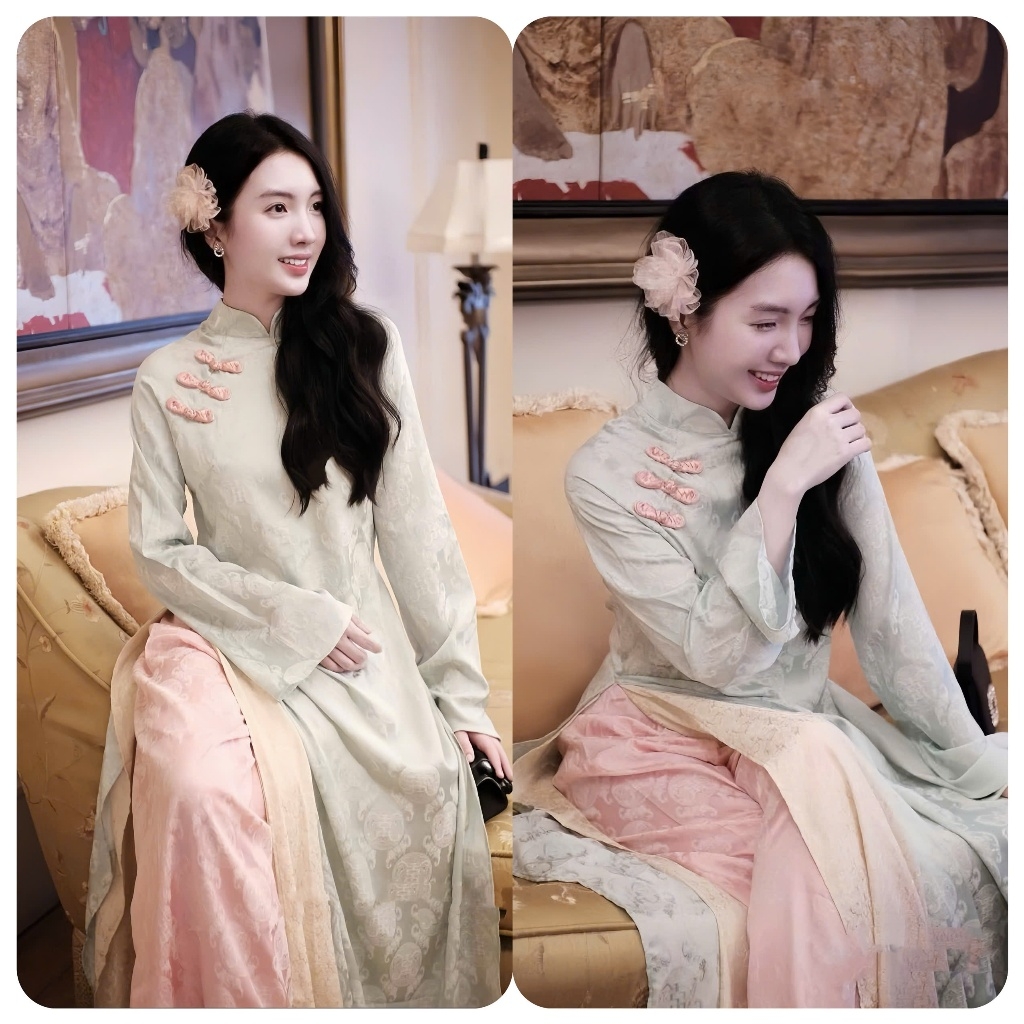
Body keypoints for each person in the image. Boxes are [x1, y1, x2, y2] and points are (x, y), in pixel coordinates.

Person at [513, 171, 1006, 1008]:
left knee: (923, 844)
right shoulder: (605, 471)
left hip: (798, 740)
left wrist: (971, 763)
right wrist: (780, 490)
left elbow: (892, 627)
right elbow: (714, 660)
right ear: (684, 311)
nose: (791, 349)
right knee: (828, 872)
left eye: (808, 320)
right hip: (659, 734)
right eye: (766, 321)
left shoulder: (821, 435)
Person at [83, 111, 510, 1008]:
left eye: (314, 205)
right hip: (225, 643)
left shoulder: (365, 349)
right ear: (215, 227)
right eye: (276, 207)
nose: (305, 229)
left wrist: (462, 697)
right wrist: (293, 616)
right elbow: (160, 550)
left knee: (426, 782)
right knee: (200, 791)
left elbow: (420, 536)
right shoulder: (168, 377)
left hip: (359, 648)